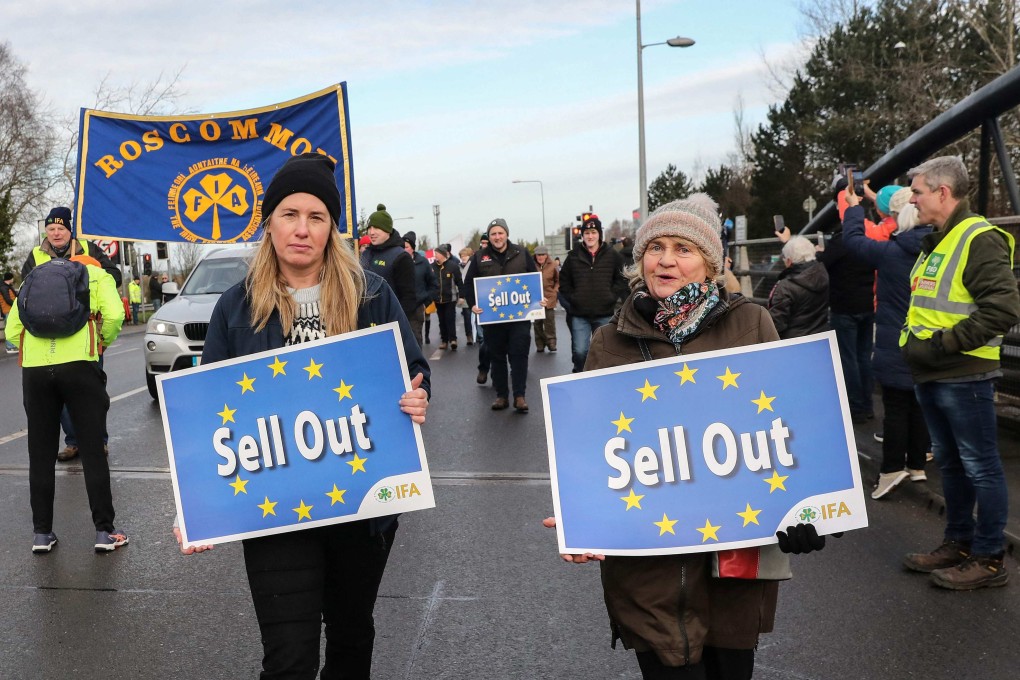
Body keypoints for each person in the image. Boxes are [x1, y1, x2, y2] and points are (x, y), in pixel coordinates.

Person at [544, 194, 829, 679]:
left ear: (711, 263)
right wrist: (581, 516)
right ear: (640, 260)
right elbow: (589, 449)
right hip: (649, 568)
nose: (667, 259)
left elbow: (789, 428)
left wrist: (816, 511)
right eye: (656, 247)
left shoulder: (750, 323)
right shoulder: (609, 342)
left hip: (732, 559)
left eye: (683, 248)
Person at [174, 152, 431, 677]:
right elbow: (206, 411)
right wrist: (193, 502)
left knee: (351, 638)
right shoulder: (235, 306)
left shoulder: (371, 294)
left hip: (360, 506)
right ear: (270, 223)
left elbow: (414, 371)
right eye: (290, 214)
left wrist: (418, 399)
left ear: (331, 229)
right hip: (275, 511)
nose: (302, 229)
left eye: (316, 217)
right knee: (288, 658)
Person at [899, 155, 1020, 590]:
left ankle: (988, 560)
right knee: (952, 464)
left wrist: (941, 346)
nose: (911, 198)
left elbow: (1004, 308)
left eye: (917, 191)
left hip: (962, 373)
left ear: (942, 193)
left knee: (980, 466)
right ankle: (959, 543)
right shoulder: (938, 239)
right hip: (935, 372)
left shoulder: (977, 238)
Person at [6, 254, 126, 553]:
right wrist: (100, 343)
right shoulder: (99, 277)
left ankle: (42, 535)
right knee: (92, 450)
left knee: (40, 453)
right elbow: (114, 316)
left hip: (35, 371)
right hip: (79, 366)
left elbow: (11, 331)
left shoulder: (36, 277)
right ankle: (104, 532)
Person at [843, 187, 933, 499]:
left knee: (895, 407)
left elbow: (854, 242)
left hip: (895, 342)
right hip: (930, 343)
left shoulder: (891, 253)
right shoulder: (937, 253)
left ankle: (892, 469)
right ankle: (918, 464)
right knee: (920, 403)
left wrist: (854, 208)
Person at [464, 218, 536, 413]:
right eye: (493, 234)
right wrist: (473, 304)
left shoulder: (521, 253)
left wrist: (540, 300)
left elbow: (534, 278)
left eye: (500, 233)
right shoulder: (480, 257)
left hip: (519, 317)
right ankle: (501, 396)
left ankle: (520, 396)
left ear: (506, 234)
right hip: (493, 318)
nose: (497, 237)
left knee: (519, 354)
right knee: (497, 358)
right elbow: (468, 283)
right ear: (490, 236)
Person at [558, 214, 627, 372]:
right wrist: (573, 299)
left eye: (593, 233)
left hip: (604, 312)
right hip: (579, 314)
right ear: (582, 235)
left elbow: (622, 278)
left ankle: (600, 383)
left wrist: (611, 296)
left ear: (599, 235)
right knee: (580, 352)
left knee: (604, 351)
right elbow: (564, 282)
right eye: (587, 233)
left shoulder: (612, 255)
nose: (590, 236)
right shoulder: (573, 256)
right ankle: (579, 378)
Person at [22, 206, 122, 287]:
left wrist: (86, 281)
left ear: (70, 231)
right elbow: (25, 286)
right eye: (51, 229)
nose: (56, 233)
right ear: (46, 232)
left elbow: (116, 277)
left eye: (61, 229)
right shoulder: (35, 254)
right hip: (48, 310)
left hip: (86, 310)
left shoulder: (89, 249)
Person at [358, 203, 417, 322]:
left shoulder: (401, 257)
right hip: (367, 321)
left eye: (376, 228)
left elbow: (408, 298)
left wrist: (397, 324)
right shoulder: (366, 254)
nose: (371, 232)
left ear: (387, 230)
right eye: (369, 228)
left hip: (390, 322)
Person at [767, 236, 829, 339]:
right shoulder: (823, 273)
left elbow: (776, 323)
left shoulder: (785, 286)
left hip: (794, 341)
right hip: (821, 335)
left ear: (789, 261)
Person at [403, 231, 438, 348]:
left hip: (416, 307)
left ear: (412, 248)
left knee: (415, 338)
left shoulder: (422, 263)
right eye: (402, 247)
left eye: (406, 247)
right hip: (400, 306)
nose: (403, 249)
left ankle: (418, 365)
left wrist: (426, 300)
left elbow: (433, 284)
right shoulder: (397, 262)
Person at [432, 244, 462, 350]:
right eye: (435, 253)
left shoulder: (453, 266)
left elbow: (459, 282)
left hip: (450, 298)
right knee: (441, 320)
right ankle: (444, 341)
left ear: (443, 254)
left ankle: (453, 340)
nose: (435, 255)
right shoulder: (432, 267)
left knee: (450, 319)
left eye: (437, 253)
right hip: (438, 299)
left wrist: (462, 296)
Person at [532, 245, 559, 352]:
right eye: (538, 255)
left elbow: (558, 280)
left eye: (542, 254)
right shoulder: (531, 265)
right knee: (537, 324)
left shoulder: (553, 265)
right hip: (536, 299)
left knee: (549, 322)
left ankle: (551, 343)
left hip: (549, 298)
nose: (540, 257)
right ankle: (540, 344)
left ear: (546, 255)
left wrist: (555, 291)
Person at [458, 247, 475, 344]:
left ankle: (478, 334)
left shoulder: (474, 266)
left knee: (476, 316)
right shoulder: (458, 267)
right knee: (467, 317)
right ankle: (469, 336)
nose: (463, 258)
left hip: (474, 294)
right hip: (464, 295)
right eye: (461, 256)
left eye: (465, 256)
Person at [1, 271, 16, 354]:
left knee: (11, 328)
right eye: (12, 278)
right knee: (9, 328)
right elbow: (7, 299)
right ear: (10, 278)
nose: (13, 279)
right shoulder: (4, 288)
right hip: (7, 311)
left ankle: (11, 346)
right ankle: (10, 347)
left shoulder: (7, 287)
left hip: (9, 310)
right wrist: (16, 305)